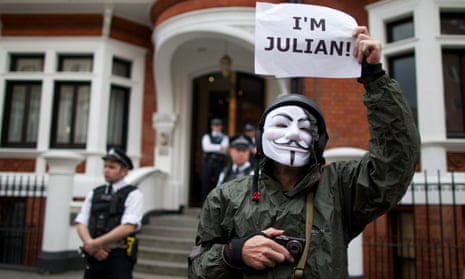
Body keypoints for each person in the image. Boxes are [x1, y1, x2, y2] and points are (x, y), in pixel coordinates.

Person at [188, 26, 420, 278]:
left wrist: (375, 78)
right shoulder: (224, 198)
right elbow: (197, 270)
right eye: (281, 124)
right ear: (260, 136)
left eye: (305, 127)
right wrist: (234, 253)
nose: (294, 134)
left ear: (318, 141)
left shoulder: (341, 189)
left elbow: (394, 163)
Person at [75, 148, 143, 279]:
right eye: (105, 166)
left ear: (124, 171)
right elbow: (81, 222)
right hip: (93, 256)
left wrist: (95, 244)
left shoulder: (133, 194)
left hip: (118, 258)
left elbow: (129, 226)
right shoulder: (95, 192)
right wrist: (92, 246)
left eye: (112, 167)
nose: (106, 170)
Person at [200, 118, 229, 204]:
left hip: (220, 163)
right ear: (212, 126)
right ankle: (204, 207)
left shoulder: (225, 137)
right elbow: (206, 147)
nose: (216, 127)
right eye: (215, 125)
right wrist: (219, 147)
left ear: (221, 126)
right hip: (208, 163)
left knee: (219, 184)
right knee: (206, 184)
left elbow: (225, 148)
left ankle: (218, 207)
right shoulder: (206, 137)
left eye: (218, 125)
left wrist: (213, 147)